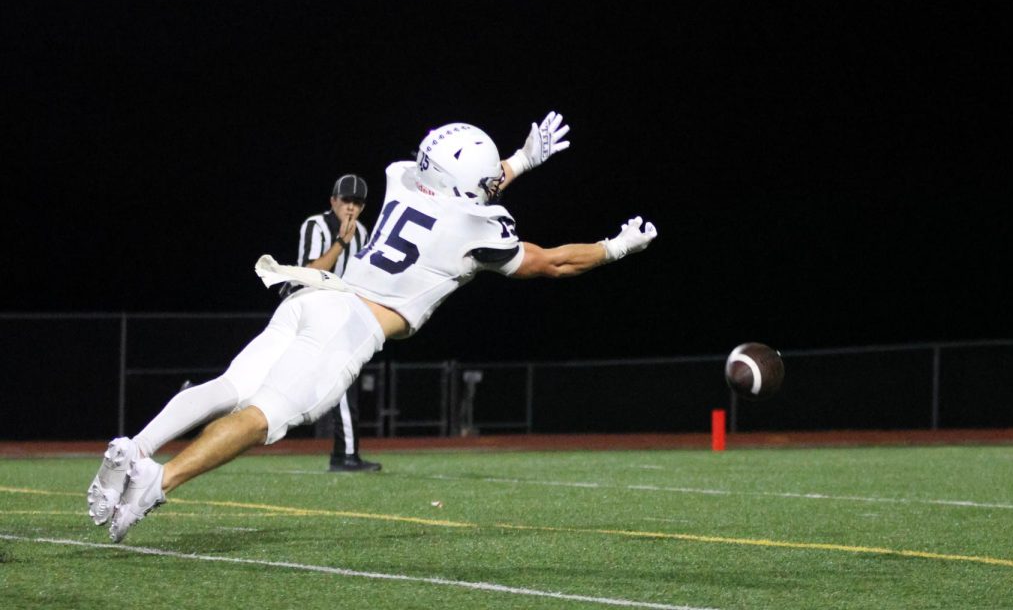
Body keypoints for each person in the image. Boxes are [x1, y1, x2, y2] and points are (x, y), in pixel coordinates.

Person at [89, 112, 657, 544]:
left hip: (316, 297)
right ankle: (153, 487)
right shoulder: (478, 228)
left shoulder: (404, 178)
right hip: (353, 326)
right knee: (262, 417)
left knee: (230, 386)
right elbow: (551, 260)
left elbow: (463, 185)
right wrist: (615, 247)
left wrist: (520, 161)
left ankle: (134, 446)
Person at [287, 173, 379, 472]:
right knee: (269, 380)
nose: (351, 207)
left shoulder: (363, 234)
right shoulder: (316, 226)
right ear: (333, 201)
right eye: (346, 201)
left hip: (335, 316)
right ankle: (346, 456)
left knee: (340, 381)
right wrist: (341, 242)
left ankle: (345, 455)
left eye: (357, 202)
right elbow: (309, 274)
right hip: (301, 312)